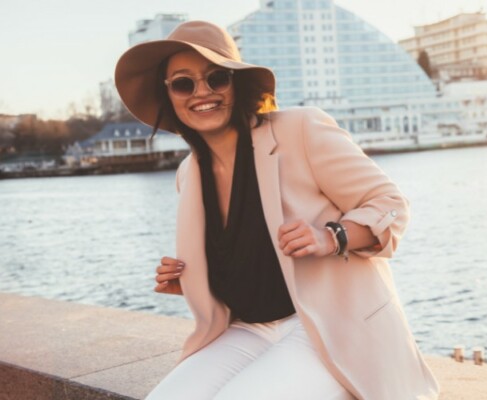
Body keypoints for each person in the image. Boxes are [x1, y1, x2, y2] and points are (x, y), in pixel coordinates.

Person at [115, 20, 439, 400]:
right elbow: (246, 254)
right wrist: (192, 277)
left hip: (329, 324)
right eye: (184, 83)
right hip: (248, 329)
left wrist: (331, 236)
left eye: (216, 78)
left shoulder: (300, 128)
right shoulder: (188, 173)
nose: (202, 92)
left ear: (236, 82)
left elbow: (390, 205)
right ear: (169, 95)